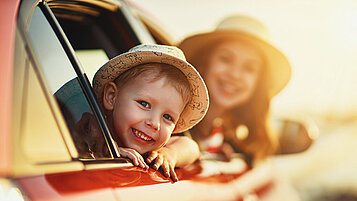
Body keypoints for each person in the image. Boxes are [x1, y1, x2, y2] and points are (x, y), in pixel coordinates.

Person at [178, 15, 291, 164]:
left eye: (249, 68)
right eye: (226, 59)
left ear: (258, 84)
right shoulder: (166, 122)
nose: (235, 75)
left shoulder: (227, 141)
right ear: (204, 64)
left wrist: (215, 151)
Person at [91, 44, 209, 182]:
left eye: (167, 117)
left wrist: (169, 154)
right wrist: (108, 149)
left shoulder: (153, 151)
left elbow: (191, 148)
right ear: (112, 97)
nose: (154, 124)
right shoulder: (92, 125)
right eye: (144, 104)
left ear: (174, 128)